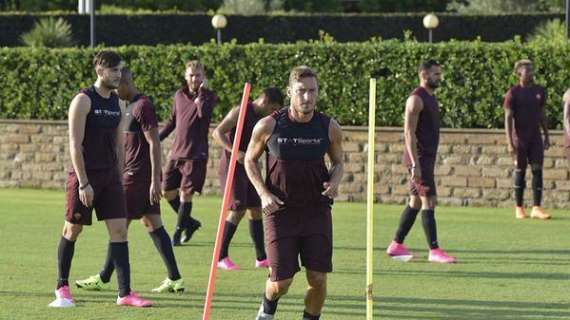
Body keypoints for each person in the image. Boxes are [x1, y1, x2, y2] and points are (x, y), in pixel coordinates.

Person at [49, 51, 152, 308]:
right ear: (99, 70)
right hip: (85, 177)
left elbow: (119, 146)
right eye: (114, 70)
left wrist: (118, 176)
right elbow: (74, 144)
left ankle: (125, 293)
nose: (118, 75)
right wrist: (84, 182)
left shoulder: (118, 103)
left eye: (120, 70)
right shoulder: (83, 101)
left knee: (119, 231)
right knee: (72, 229)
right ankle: (62, 286)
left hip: (111, 178)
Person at [245, 66, 344, 320]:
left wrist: (335, 182)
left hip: (316, 211)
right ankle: (267, 309)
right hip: (280, 212)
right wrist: (263, 193)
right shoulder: (269, 125)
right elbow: (249, 160)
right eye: (301, 91)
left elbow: (338, 163)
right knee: (281, 283)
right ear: (290, 92)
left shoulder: (329, 126)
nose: (307, 97)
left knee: (318, 278)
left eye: (312, 91)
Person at [75, 68, 185, 294]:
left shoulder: (143, 105)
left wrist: (156, 180)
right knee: (153, 223)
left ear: (127, 83)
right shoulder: (123, 105)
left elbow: (155, 143)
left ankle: (104, 277)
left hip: (137, 179)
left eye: (118, 85)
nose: (115, 90)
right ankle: (175, 278)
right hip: (137, 177)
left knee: (119, 226)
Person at [385, 59, 457, 264]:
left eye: (439, 74)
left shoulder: (431, 98)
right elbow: (408, 133)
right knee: (429, 200)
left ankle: (396, 244)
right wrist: (415, 164)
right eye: (435, 74)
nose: (439, 77)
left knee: (415, 201)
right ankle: (434, 250)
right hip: (419, 158)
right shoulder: (416, 99)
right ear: (424, 75)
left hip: (426, 158)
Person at [212, 87, 284, 270]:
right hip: (232, 166)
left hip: (249, 167)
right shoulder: (240, 111)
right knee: (238, 209)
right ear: (265, 101)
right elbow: (217, 133)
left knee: (256, 209)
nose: (273, 113)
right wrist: (235, 152)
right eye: (273, 108)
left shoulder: (263, 119)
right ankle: (221, 256)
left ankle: (261, 257)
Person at [159, 60, 219, 245]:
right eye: (191, 75)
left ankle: (177, 233)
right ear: (186, 77)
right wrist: (156, 139)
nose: (194, 79)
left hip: (196, 155)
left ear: (203, 77)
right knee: (166, 191)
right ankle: (190, 223)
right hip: (176, 154)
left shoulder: (209, 96)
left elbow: (203, 115)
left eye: (198, 75)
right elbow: (172, 121)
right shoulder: (179, 95)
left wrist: (201, 93)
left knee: (186, 194)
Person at [504, 59, 551, 220]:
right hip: (520, 139)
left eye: (532, 70)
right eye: (527, 70)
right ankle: (519, 207)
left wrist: (546, 135)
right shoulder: (513, 93)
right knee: (520, 171)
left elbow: (542, 114)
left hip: (535, 138)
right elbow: (508, 118)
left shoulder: (540, 91)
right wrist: (510, 142)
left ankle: (536, 207)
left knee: (537, 170)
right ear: (519, 73)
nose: (531, 73)